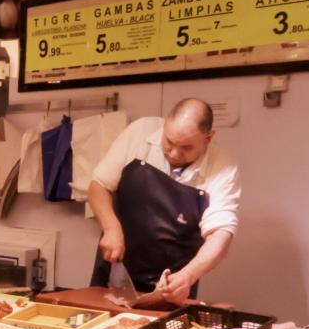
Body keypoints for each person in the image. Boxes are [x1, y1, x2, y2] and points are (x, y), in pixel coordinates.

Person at [88, 98, 241, 304]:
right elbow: (99, 185)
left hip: (173, 283)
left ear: (209, 138)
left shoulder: (222, 167)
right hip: (115, 268)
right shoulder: (139, 132)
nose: (175, 153)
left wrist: (188, 276)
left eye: (186, 147)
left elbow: (220, 235)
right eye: (169, 142)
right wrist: (111, 227)